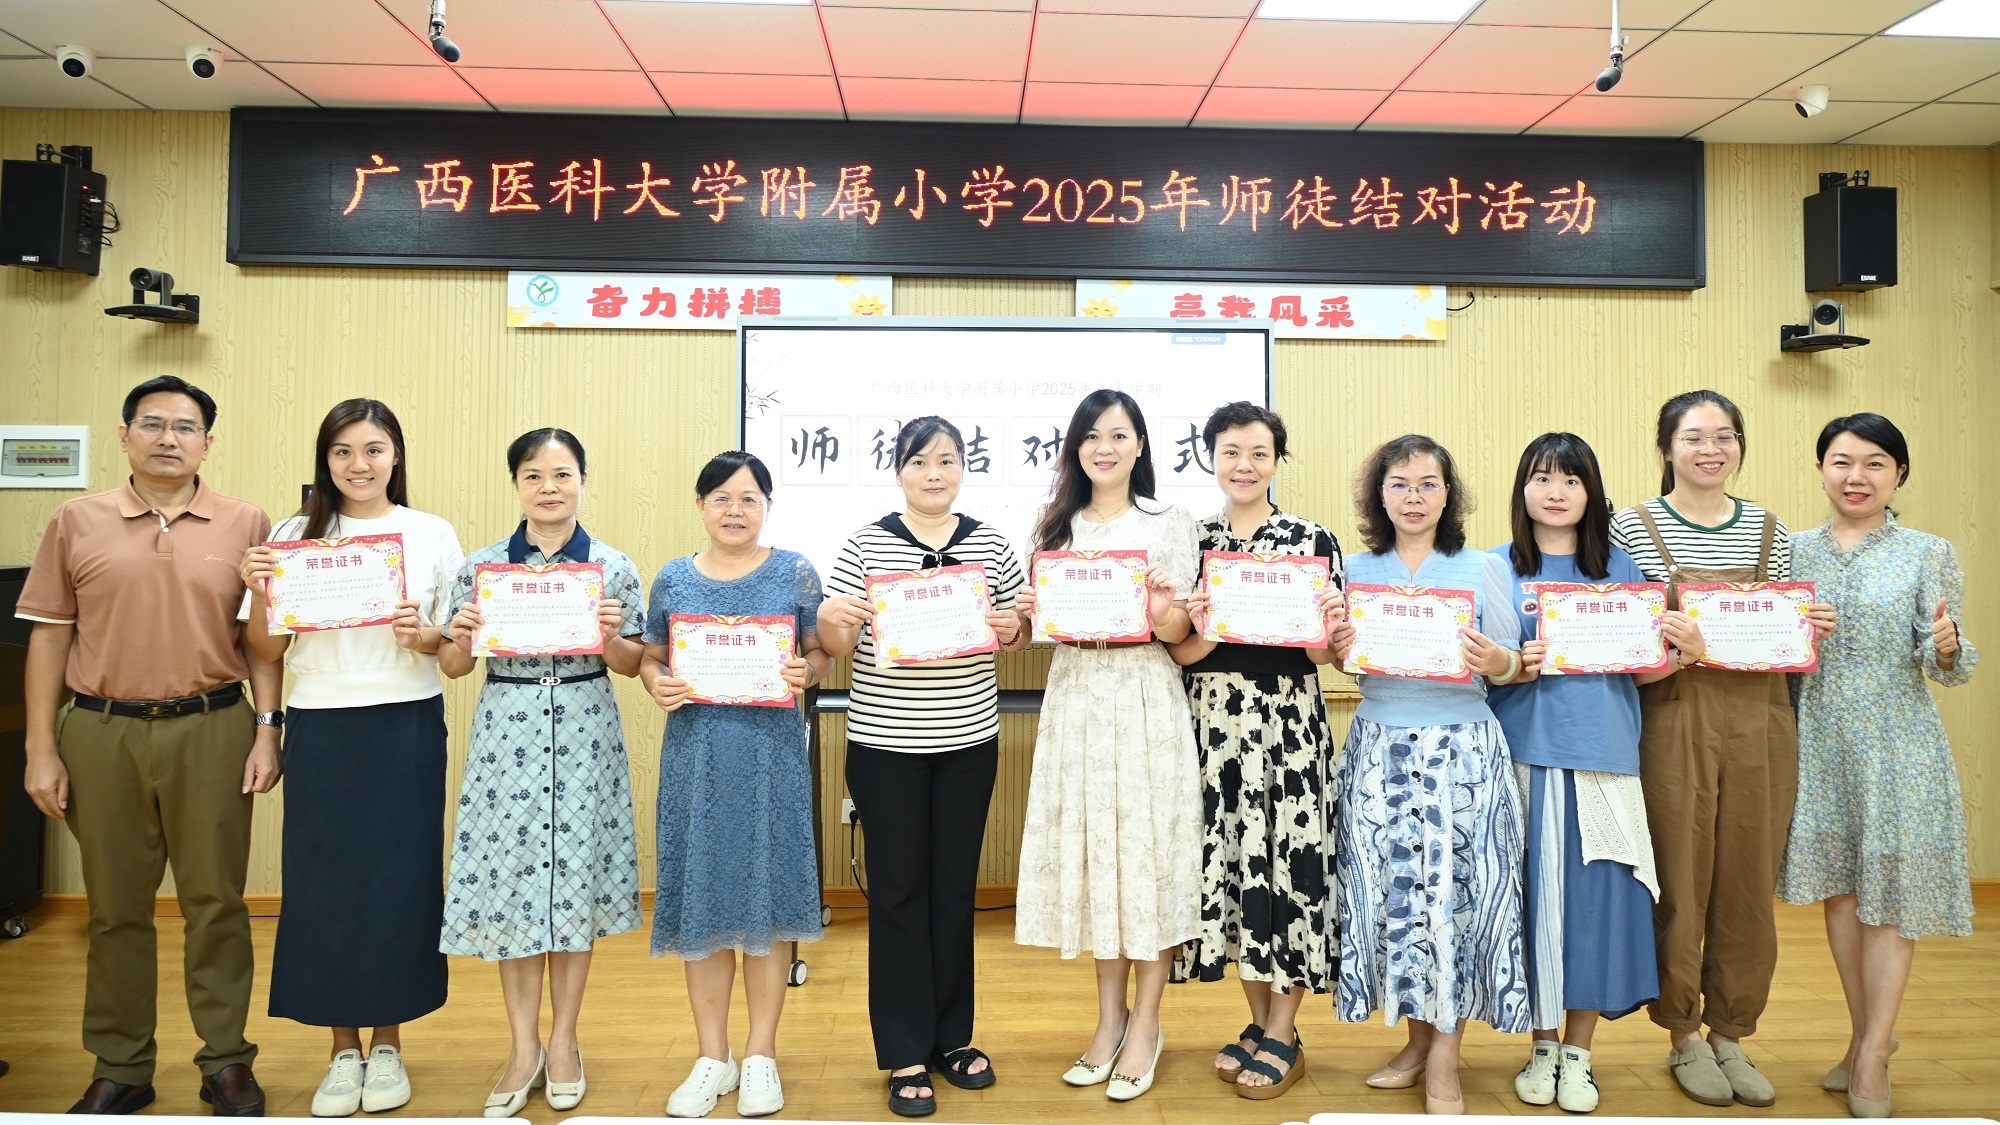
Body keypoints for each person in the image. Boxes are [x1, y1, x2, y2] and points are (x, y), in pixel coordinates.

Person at [19, 375, 280, 1116]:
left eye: (186, 427)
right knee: (114, 909)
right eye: (153, 423)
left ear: (208, 443)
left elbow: (262, 641)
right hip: (101, 732)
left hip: (214, 727)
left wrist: (268, 729)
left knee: (216, 903)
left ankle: (226, 1060)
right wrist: (41, 748)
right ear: (125, 434)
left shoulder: (246, 521)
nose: (169, 438)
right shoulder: (76, 520)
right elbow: (50, 637)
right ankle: (122, 1064)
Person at [1609, 389, 1837, 1109]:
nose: (1711, 449)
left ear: (1739, 444)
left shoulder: (1771, 530)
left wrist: (1809, 625)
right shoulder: (1631, 527)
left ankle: (1732, 1031)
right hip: (1674, 714)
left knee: (1747, 878)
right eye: (1694, 437)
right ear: (1667, 447)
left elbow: (1783, 633)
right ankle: (1682, 1032)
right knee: (1680, 875)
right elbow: (1617, 632)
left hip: (1762, 717)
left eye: (1725, 435)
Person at [239, 400, 462, 1116]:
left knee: (402, 880)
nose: (358, 464)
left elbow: (455, 647)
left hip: (406, 721)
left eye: (373, 449)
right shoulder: (291, 536)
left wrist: (425, 634)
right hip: (321, 723)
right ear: (324, 459)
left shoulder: (430, 533)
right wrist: (260, 591)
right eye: (342, 451)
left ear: (396, 455)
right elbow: (265, 648)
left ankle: (388, 1042)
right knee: (323, 884)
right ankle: (341, 1049)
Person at [815, 417, 1030, 1118]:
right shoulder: (865, 544)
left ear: (964, 467)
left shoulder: (992, 544)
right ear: (899, 471)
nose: (933, 473)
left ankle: (951, 1038)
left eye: (946, 460)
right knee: (898, 894)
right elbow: (834, 640)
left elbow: (1017, 632)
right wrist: (835, 618)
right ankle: (905, 1049)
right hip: (885, 746)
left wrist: (1014, 629)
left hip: (969, 743)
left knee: (954, 892)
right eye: (919, 461)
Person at [1487, 433, 1706, 1115]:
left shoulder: (1620, 566)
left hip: (1604, 753)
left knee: (1597, 906)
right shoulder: (1493, 567)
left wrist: (1685, 654)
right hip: (1521, 751)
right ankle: (1541, 1044)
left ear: (1592, 493)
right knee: (1531, 904)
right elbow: (1478, 667)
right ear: (1522, 488)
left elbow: (1640, 670)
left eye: (1571, 480)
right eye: (1542, 478)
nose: (1556, 492)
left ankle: (1579, 1051)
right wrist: (1512, 663)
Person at [436, 428, 645, 1118]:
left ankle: (563, 1042)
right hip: (509, 732)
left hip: (585, 729)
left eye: (562, 474)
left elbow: (631, 664)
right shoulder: (482, 566)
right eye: (534, 475)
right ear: (517, 484)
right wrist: (460, 634)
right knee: (515, 885)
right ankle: (522, 1046)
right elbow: (454, 666)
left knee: (573, 882)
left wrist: (611, 635)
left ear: (583, 480)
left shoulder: (612, 566)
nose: (549, 487)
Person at [1330, 434, 1533, 1116]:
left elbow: (1516, 664)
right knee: (1397, 898)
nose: (1413, 497)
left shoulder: (1482, 568)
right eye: (1399, 484)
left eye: (1427, 484)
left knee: (1455, 898)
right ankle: (1416, 1043)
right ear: (1378, 496)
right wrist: (1338, 648)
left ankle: (1446, 1054)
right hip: (1379, 749)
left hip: (1462, 753)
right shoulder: (1354, 569)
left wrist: (1497, 660)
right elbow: (1344, 661)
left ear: (1448, 495)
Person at [1781, 414, 1977, 1120]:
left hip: (1898, 745)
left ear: (1899, 474)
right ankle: (1867, 1035)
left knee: (1889, 895)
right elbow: (1768, 648)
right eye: (1841, 461)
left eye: (1874, 463)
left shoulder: (1927, 552)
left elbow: (1947, 663)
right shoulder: (1792, 551)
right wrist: (1793, 631)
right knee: (1839, 893)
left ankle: (1870, 1055)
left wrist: (1947, 644)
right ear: (1820, 469)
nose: (1856, 477)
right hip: (1818, 739)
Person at [1013, 389, 1200, 1104]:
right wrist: (1029, 611)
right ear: (1076, 447)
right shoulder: (1054, 526)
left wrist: (1163, 607)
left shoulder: (1168, 522)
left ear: (1141, 446)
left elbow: (1180, 631)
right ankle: (1108, 1020)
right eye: (1092, 435)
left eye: (1119, 435)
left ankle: (1146, 1023)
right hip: (1077, 697)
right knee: (1099, 861)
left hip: (1145, 696)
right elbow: (1038, 627)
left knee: (1146, 858)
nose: (1105, 447)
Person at [1164, 402, 1349, 1101]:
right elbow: (1179, 653)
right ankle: (1262, 1020)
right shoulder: (1191, 540)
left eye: (1259, 453)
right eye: (1231, 452)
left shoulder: (1311, 538)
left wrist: (1324, 627)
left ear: (1277, 460)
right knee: (1235, 867)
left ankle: (1283, 1030)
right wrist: (1207, 629)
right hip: (1212, 723)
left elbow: (1324, 656)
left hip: (1288, 725)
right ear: (1211, 456)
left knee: (1290, 866)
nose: (1244, 465)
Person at [641, 451, 828, 1120]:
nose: (734, 510)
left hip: (771, 758)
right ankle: (711, 1056)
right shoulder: (672, 579)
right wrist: (656, 682)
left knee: (767, 902)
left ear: (767, 506)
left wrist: (809, 669)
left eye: (749, 498)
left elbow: (818, 650)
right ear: (700, 506)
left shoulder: (795, 571)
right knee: (705, 900)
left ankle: (760, 1055)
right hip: (696, 760)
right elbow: (652, 656)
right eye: (721, 497)